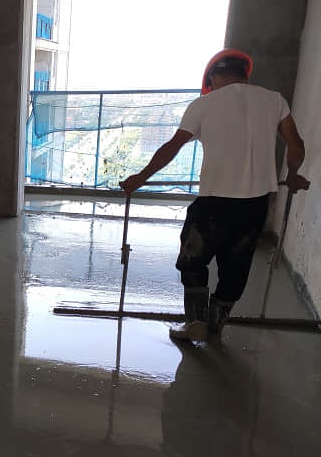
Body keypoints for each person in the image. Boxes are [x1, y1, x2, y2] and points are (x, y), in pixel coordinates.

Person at [120, 49, 310, 343]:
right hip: (256, 204)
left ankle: (196, 322)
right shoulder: (274, 100)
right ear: (245, 75)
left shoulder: (203, 104)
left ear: (212, 79)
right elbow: (296, 147)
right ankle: (216, 325)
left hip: (213, 203)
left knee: (193, 259)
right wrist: (294, 175)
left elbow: (172, 147)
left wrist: (139, 178)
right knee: (236, 266)